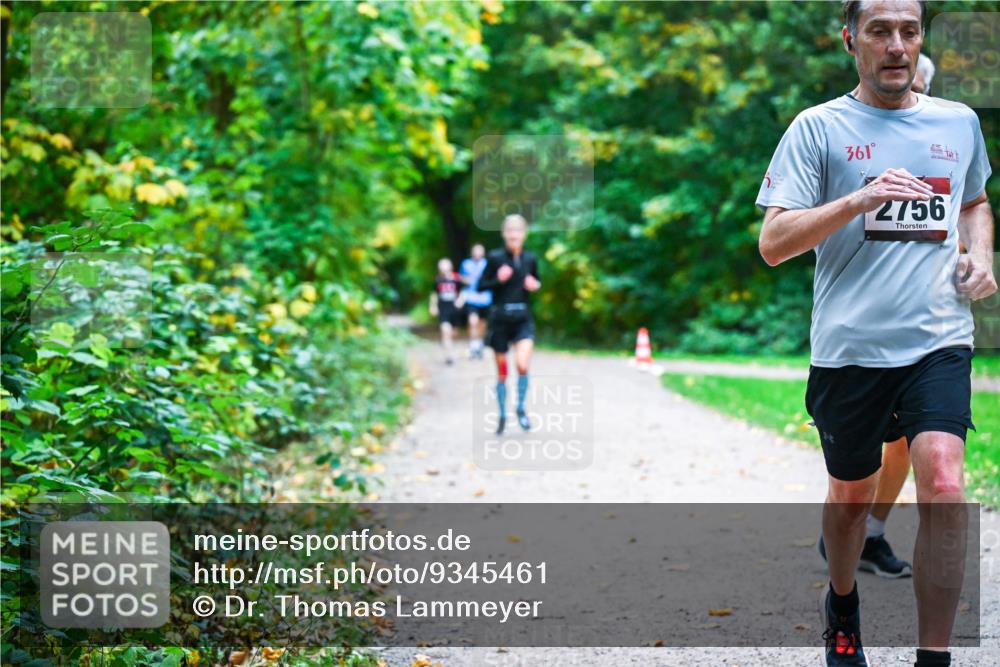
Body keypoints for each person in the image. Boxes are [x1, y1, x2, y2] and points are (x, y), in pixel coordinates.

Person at [756, 2, 995, 666]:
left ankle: (933, 656)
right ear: (850, 40)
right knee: (851, 499)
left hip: (939, 336)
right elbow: (773, 243)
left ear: (921, 41)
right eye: (880, 32)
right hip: (850, 347)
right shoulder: (818, 128)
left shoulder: (958, 122)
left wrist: (983, 253)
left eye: (909, 32)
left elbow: (973, 202)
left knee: (945, 484)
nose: (896, 45)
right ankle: (842, 605)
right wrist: (857, 201)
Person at [816, 51, 941, 580]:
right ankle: (849, 533)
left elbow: (966, 210)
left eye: (923, 82)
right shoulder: (840, 134)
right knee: (858, 470)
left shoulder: (947, 136)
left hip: (929, 331)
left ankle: (871, 532)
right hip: (858, 330)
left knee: (919, 449)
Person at [477, 214, 541, 435]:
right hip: (500, 320)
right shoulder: (495, 258)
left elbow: (536, 281)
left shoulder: (530, 259)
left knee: (523, 365)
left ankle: (521, 408)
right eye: (510, 231)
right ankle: (503, 415)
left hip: (522, 318)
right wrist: (498, 280)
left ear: (524, 234)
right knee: (502, 373)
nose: (514, 235)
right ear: (504, 234)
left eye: (518, 231)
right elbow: (481, 286)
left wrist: (534, 285)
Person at [428, 258, 464, 366]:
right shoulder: (438, 280)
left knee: (454, 333)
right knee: (445, 331)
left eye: (445, 265)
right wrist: (433, 306)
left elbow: (462, 292)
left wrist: (460, 301)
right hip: (443, 309)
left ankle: (451, 348)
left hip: (454, 310)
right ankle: (449, 356)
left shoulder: (456, 279)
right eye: (441, 266)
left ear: (450, 266)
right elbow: (434, 294)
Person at [459, 244, 492, 360]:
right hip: (471, 297)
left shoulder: (487, 264)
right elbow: (461, 278)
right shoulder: (465, 264)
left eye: (480, 251)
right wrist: (466, 280)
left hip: (485, 299)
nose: (477, 253)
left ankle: (480, 345)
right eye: (475, 251)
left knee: (482, 324)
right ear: (472, 252)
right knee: (472, 321)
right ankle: (473, 346)